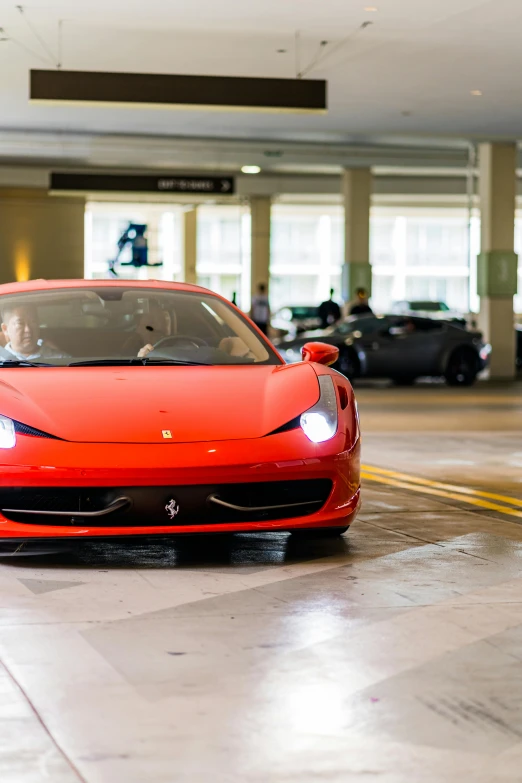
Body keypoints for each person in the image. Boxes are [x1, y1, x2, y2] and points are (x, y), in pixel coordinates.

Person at [0, 304, 68, 361]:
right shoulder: (2, 359)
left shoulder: (61, 359)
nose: (28, 330)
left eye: (33, 322)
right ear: (5, 329)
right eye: (20, 323)